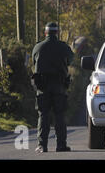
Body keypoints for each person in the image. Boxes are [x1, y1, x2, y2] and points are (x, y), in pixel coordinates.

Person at [31, 22, 74, 153]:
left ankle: (42, 145)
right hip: (59, 85)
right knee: (59, 115)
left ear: (45, 33)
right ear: (57, 33)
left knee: (43, 114)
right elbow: (70, 60)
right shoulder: (63, 47)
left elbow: (33, 62)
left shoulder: (38, 47)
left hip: (42, 86)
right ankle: (61, 145)